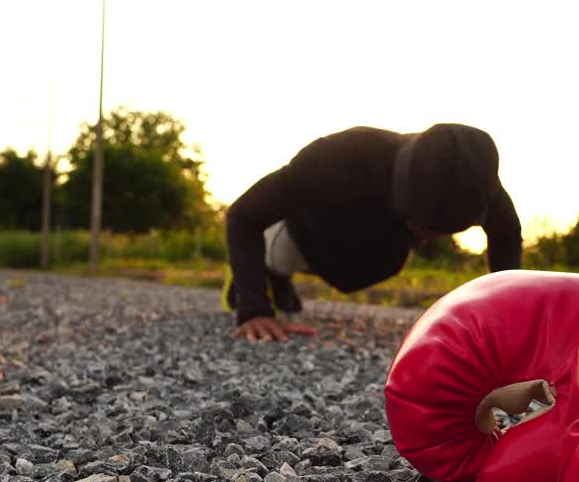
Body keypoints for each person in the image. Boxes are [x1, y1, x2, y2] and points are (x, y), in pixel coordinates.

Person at [223, 123, 523, 341]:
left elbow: (506, 235)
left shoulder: (479, 184)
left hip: (362, 244)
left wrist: (502, 318)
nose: (424, 236)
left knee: (386, 262)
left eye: (437, 232)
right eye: (420, 224)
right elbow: (242, 215)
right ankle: (270, 272)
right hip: (297, 231)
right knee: (282, 250)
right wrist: (255, 309)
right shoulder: (339, 156)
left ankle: (283, 276)